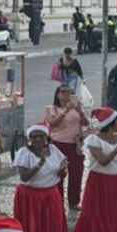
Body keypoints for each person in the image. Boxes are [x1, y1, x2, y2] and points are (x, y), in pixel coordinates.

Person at [13, 124, 71, 232]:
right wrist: (41, 162)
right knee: (31, 230)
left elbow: (60, 174)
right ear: (29, 139)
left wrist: (63, 170)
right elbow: (24, 177)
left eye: (41, 136)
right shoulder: (24, 153)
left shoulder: (54, 150)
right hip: (29, 197)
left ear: (47, 138)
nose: (37, 139)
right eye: (34, 137)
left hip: (50, 195)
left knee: (53, 228)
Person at [43, 85, 90, 214]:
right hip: (58, 144)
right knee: (58, 174)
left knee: (76, 174)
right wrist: (66, 110)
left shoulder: (76, 108)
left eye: (69, 92)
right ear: (57, 94)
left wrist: (80, 111)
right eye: (63, 92)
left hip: (75, 144)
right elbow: (52, 123)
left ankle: (74, 201)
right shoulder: (51, 108)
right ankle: (58, 201)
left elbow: (86, 123)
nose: (66, 94)